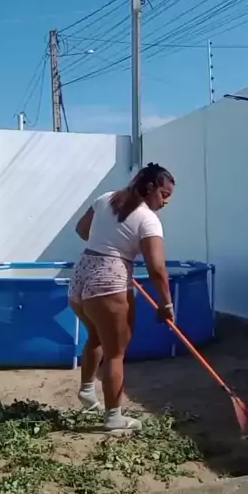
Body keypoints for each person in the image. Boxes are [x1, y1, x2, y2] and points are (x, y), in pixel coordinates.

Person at [68, 162, 175, 432]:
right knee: (116, 352)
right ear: (149, 188)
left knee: (97, 335)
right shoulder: (148, 219)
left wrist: (110, 245)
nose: (166, 202)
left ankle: (87, 392)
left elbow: (82, 230)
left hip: (82, 274)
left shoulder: (106, 198)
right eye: (164, 194)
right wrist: (166, 303)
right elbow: (157, 268)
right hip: (109, 280)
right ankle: (114, 418)